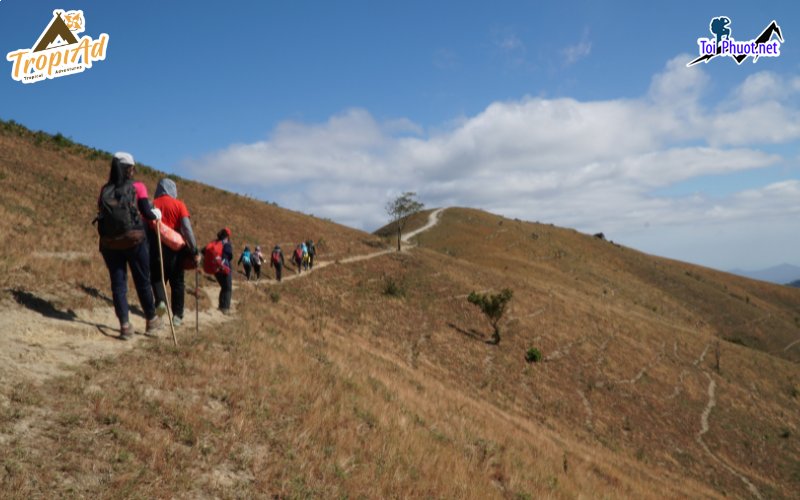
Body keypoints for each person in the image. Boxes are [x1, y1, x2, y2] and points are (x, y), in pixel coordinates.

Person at [96, 152, 165, 339]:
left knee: (118, 284)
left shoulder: (105, 189)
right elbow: (145, 212)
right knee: (142, 281)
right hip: (134, 239)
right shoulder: (138, 186)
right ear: (131, 168)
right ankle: (151, 320)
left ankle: (125, 326)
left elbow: (100, 214)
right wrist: (156, 214)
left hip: (110, 242)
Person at [148, 178, 200, 328]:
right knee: (177, 282)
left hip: (156, 247)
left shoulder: (152, 204)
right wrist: (194, 249)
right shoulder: (179, 205)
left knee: (158, 278)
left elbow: (145, 227)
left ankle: (160, 302)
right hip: (177, 250)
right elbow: (187, 229)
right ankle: (177, 316)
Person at [204, 228, 233, 314]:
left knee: (223, 287)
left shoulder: (214, 242)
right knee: (228, 288)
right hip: (224, 268)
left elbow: (203, 250)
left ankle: (221, 306)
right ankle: (226, 309)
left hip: (215, 269)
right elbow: (230, 255)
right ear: (227, 236)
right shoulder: (227, 244)